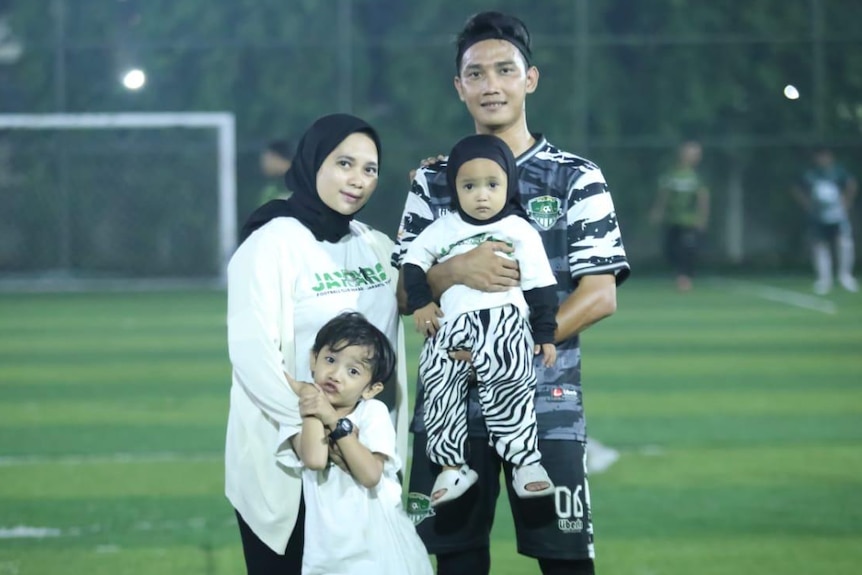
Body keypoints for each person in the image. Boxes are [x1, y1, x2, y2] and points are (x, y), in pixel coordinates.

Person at [391, 11, 630, 575]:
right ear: (459, 87)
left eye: (504, 70)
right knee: (454, 562)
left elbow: (599, 295)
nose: (490, 84)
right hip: (450, 408)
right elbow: (405, 294)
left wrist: (507, 352)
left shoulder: (577, 177)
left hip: (546, 406)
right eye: (476, 74)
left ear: (530, 79)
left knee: (566, 565)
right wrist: (454, 271)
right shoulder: (431, 182)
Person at [226, 113, 409, 575]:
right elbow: (252, 352)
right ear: (312, 163)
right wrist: (306, 432)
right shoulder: (272, 243)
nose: (359, 180)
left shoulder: (374, 245)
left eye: (370, 169)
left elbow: (421, 291)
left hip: (362, 464)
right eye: (344, 163)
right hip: (293, 462)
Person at [403, 134, 558, 506]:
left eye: (493, 185)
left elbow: (540, 286)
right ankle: (452, 467)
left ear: (509, 185)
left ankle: (525, 462)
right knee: (437, 383)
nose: (482, 195)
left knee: (509, 380)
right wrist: (423, 303)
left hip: (503, 319)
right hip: (450, 323)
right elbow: (412, 264)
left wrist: (545, 334)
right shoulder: (444, 228)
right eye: (469, 186)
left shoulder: (520, 230)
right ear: (455, 188)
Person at [277, 311, 433, 575]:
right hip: (328, 556)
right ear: (313, 359)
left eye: (353, 371)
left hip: (383, 553)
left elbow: (371, 475)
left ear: (371, 389)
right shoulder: (300, 414)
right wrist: (313, 400)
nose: (336, 375)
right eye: (329, 360)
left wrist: (334, 421)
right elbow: (314, 460)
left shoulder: (372, 413)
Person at [791, 146, 858, 294]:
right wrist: (807, 204)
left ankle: (845, 276)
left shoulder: (838, 172)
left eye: (826, 156)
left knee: (844, 244)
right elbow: (796, 188)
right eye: (820, 156)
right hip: (818, 216)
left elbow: (851, 184)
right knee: (820, 247)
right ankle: (824, 278)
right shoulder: (811, 174)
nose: (823, 159)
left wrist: (847, 202)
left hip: (838, 216)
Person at [649, 140, 710, 292]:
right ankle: (680, 274)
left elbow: (703, 197)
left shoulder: (697, 176)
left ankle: (684, 277)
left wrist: (702, 217)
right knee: (670, 248)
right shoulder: (672, 174)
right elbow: (664, 194)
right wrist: (657, 211)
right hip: (673, 219)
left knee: (686, 248)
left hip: (689, 220)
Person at [257, 139, 295, 205]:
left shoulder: (304, 178)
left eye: (266, 159)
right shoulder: (273, 187)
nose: (262, 164)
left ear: (275, 156)